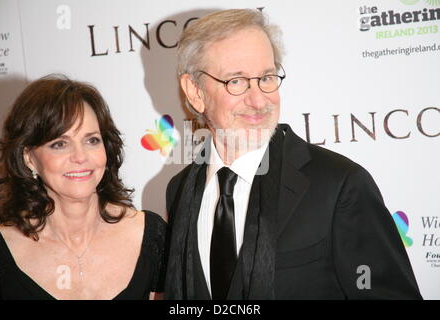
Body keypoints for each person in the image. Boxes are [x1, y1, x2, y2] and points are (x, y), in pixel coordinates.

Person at [164, 9, 422, 299]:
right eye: (235, 81)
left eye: (266, 77)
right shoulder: (180, 190)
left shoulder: (340, 186)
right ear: (195, 91)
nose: (259, 99)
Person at [0, 75, 166, 300]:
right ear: (29, 158)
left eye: (91, 140)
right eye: (59, 144)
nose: (80, 157)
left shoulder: (151, 236)